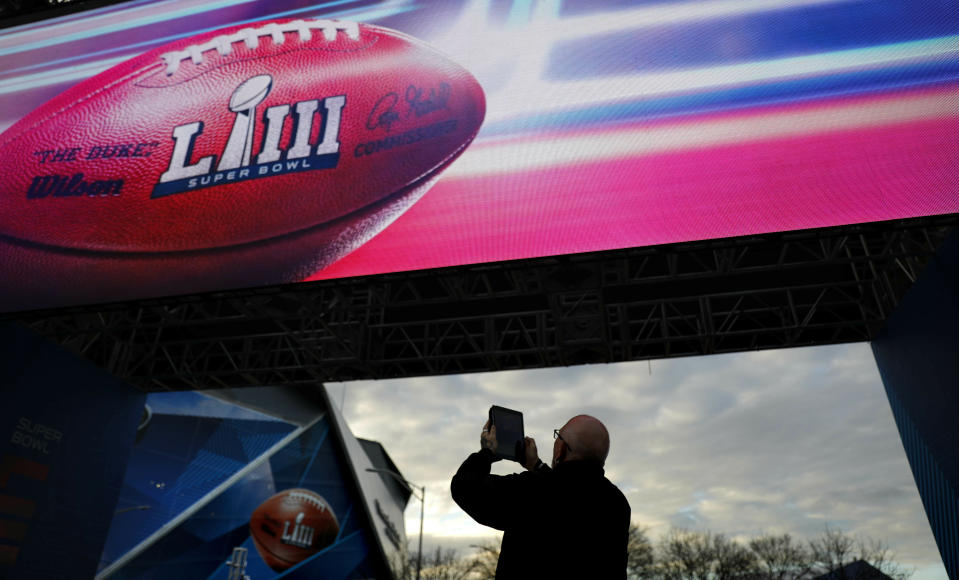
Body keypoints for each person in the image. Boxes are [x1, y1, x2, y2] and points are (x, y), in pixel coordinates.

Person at [451, 414, 631, 579]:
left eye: (558, 437)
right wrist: (536, 466)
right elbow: (568, 493)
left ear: (560, 449)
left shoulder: (531, 490)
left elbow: (465, 487)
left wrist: (486, 452)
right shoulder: (618, 504)